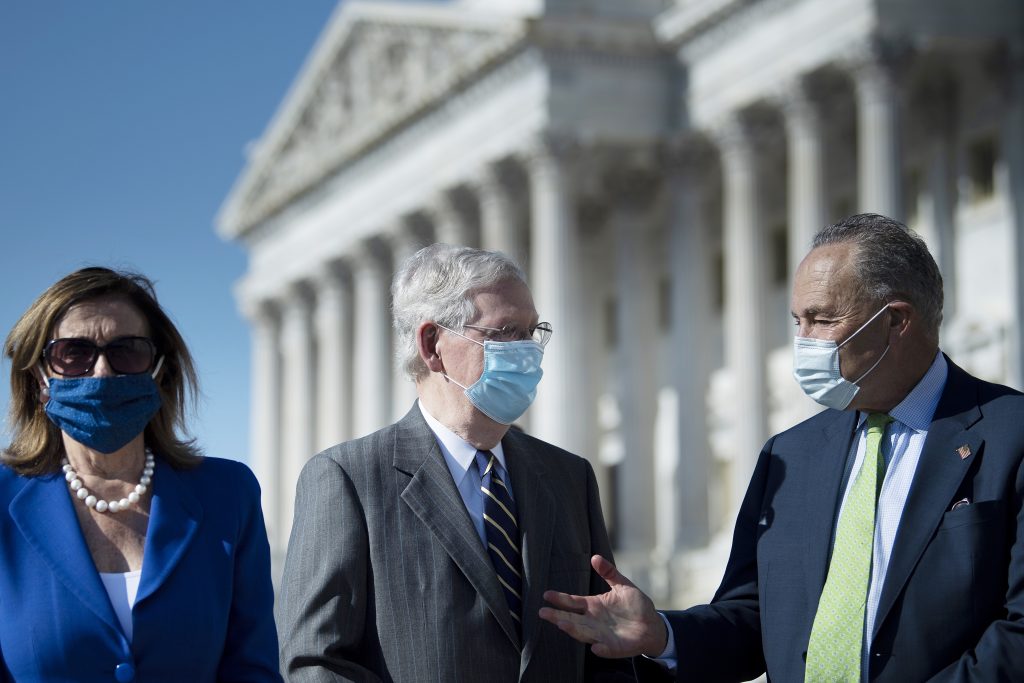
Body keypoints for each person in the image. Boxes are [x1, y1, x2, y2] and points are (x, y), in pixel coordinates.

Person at [539, 213, 1024, 681]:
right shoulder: (789, 456)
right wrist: (661, 634)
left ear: (895, 321)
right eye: (797, 321)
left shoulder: (1010, 434)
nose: (803, 341)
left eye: (820, 319)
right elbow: (753, 619)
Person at [276, 244, 632, 682]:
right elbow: (317, 663)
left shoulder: (569, 476)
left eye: (532, 332)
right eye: (504, 333)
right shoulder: (347, 479)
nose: (527, 352)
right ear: (432, 345)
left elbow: (604, 654)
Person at [0, 267, 281, 682]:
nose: (101, 373)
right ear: (40, 377)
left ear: (159, 371)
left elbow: (251, 669)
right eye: (73, 353)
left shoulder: (228, 494)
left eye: (127, 351)